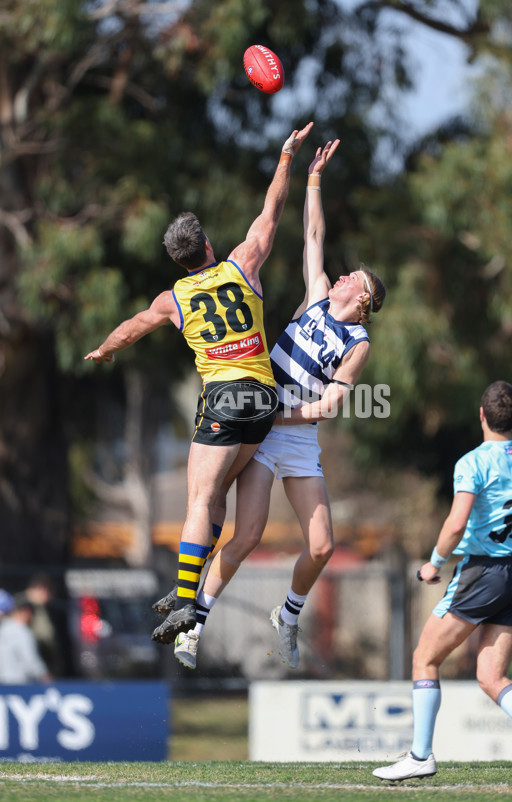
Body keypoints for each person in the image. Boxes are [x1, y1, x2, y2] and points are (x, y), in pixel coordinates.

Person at [85, 122, 313, 644]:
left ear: (178, 260)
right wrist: (284, 159)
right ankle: (184, 589)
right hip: (263, 401)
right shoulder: (243, 264)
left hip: (223, 398)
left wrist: (104, 349)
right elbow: (270, 214)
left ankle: (187, 601)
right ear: (208, 244)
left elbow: (132, 327)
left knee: (197, 501)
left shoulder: (173, 299)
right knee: (216, 499)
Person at [165, 138, 386, 671]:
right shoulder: (314, 295)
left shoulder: (357, 345)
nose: (345, 273)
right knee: (246, 536)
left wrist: (279, 416)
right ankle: (191, 624)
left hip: (294, 434)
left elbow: (330, 406)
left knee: (322, 546)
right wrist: (313, 177)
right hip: (261, 434)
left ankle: (288, 615)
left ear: (363, 299)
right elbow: (313, 232)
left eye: (354, 276)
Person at [372, 380, 512, 788]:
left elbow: (457, 522)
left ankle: (419, 755)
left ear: (481, 415)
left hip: (483, 572)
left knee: (424, 659)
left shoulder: (473, 461)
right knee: (490, 675)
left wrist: (433, 563)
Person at [0, 597, 52, 684]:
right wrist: (44, 675)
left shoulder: (3, 628)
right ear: (26, 612)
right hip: (18, 684)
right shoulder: (22, 631)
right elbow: (30, 659)